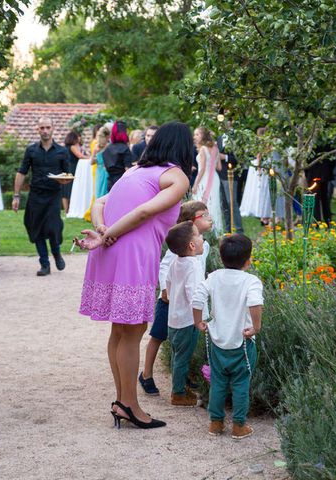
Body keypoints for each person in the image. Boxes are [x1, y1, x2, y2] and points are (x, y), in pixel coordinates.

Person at [76, 121, 194, 429]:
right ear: (183, 147)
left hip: (112, 252)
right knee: (132, 331)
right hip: (132, 256)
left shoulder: (134, 171)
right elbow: (144, 212)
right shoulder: (176, 176)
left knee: (119, 332)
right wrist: (106, 234)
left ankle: (121, 400)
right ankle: (129, 405)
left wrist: (104, 229)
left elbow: (99, 203)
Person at [192, 234, 263, 439]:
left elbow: (198, 297)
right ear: (248, 260)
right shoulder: (251, 281)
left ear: (222, 258)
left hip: (218, 341)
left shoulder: (214, 277)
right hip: (242, 342)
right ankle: (239, 426)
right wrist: (256, 327)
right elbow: (255, 303)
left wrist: (198, 321)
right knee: (241, 383)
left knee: (218, 381)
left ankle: (216, 423)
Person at [139, 200, 213, 396]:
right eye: (204, 215)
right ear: (191, 221)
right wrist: (165, 290)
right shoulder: (179, 246)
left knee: (181, 346)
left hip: (186, 304)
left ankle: (183, 378)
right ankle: (146, 374)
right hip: (170, 301)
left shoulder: (203, 245)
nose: (209, 218)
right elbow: (165, 268)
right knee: (158, 336)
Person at [12, 117, 71, 276]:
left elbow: (68, 175)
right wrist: (16, 196)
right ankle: (44, 264)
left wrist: (63, 181)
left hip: (53, 195)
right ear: (37, 130)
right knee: (35, 227)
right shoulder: (31, 150)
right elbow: (21, 172)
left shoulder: (62, 151)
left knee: (53, 227)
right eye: (42, 128)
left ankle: (56, 252)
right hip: (36, 195)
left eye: (47, 127)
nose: (45, 130)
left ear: (53, 128)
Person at [164, 220, 207, 407]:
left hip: (174, 318)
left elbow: (168, 284)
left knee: (176, 355)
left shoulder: (176, 262)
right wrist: (200, 318)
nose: (202, 237)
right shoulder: (193, 266)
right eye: (198, 235)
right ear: (191, 245)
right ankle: (178, 393)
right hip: (187, 321)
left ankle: (180, 386)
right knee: (182, 357)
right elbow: (194, 295)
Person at [192, 127, 224, 234]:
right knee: (214, 203)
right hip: (215, 178)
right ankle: (216, 230)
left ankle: (204, 229)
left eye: (197, 134)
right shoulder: (215, 148)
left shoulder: (203, 149)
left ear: (203, 136)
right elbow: (219, 167)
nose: (194, 137)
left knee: (203, 202)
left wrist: (195, 184)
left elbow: (202, 170)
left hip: (205, 179)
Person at [217, 129, 244, 234]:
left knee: (232, 202)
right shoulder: (219, 137)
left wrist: (225, 157)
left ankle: (238, 230)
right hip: (219, 174)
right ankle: (227, 229)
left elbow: (239, 158)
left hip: (232, 174)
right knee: (224, 203)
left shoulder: (237, 137)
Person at [103, 121, 134, 191]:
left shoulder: (107, 148)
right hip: (122, 183)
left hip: (110, 183)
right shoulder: (125, 148)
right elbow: (128, 169)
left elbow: (105, 167)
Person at [62, 131, 84, 213]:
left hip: (67, 168)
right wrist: (90, 158)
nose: (79, 138)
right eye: (78, 137)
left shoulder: (66, 147)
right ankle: (69, 209)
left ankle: (66, 210)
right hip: (72, 169)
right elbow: (80, 156)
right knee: (71, 189)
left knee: (65, 190)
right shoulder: (72, 147)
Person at [91, 126, 110, 199]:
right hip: (107, 171)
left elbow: (92, 162)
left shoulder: (96, 147)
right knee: (106, 193)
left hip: (99, 171)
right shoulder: (109, 147)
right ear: (108, 136)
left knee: (99, 193)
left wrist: (98, 159)